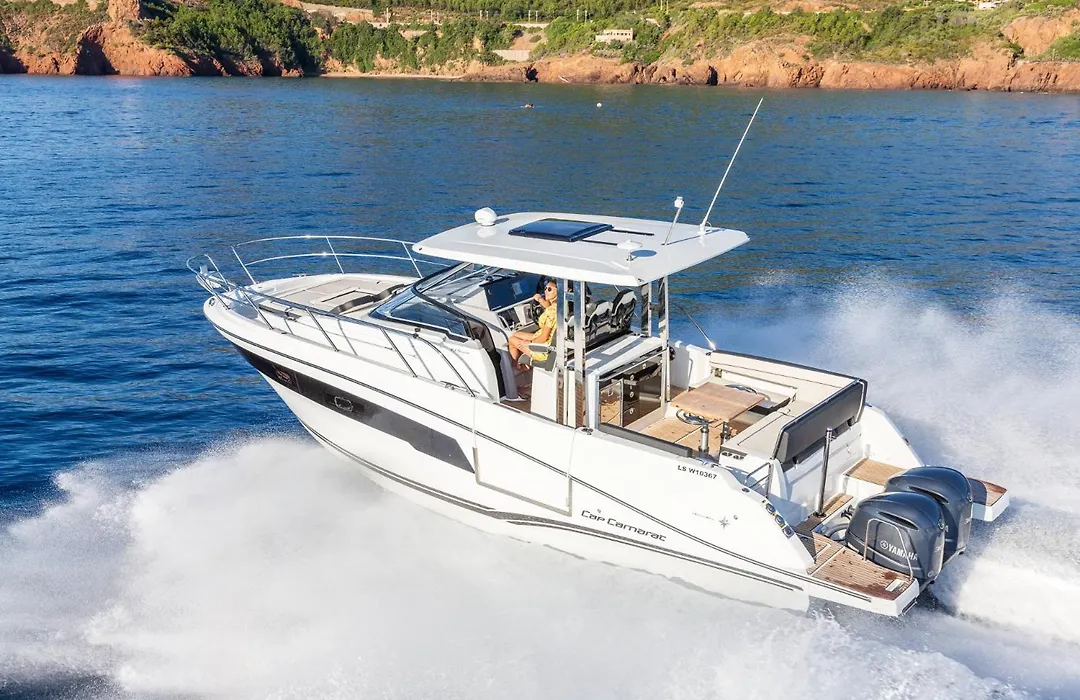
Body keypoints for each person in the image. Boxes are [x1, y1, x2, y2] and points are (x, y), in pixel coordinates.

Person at [508, 280, 557, 368]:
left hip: (543, 349)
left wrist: (529, 343)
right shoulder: (559, 307)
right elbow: (549, 307)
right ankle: (523, 362)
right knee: (516, 334)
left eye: (549, 289)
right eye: (545, 288)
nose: (546, 291)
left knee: (511, 340)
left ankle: (518, 366)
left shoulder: (551, 314)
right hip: (544, 338)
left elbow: (544, 337)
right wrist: (540, 300)